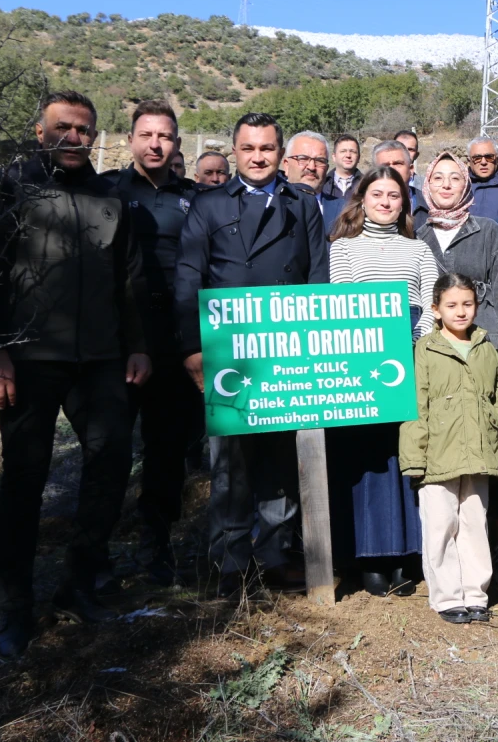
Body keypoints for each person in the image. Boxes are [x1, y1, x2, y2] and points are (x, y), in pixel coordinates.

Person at [0, 91, 151, 657]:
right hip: (28, 359)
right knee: (25, 479)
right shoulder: (7, 188)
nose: (76, 139)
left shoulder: (109, 196)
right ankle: (15, 608)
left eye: (85, 131)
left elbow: (131, 280)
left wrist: (138, 347)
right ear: (40, 130)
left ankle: (80, 583)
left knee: (111, 463)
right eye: (64, 128)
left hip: (99, 360)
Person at [175, 112, 329, 596]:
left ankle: (276, 555)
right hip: (229, 353)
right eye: (248, 148)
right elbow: (187, 277)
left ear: (280, 153)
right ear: (235, 151)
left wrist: (312, 348)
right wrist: (192, 348)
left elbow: (317, 279)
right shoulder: (208, 205)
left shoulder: (302, 206)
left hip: (286, 352)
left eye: (266, 149)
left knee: (281, 462)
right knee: (230, 465)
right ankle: (230, 563)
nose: (258, 157)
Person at [327, 167, 438, 595]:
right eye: (378, 194)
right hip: (367, 356)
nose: (386, 201)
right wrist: (383, 345)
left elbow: (431, 300)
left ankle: (408, 553)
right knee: (368, 457)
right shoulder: (345, 248)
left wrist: (413, 340)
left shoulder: (418, 249)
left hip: (411, 351)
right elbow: (346, 299)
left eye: (394, 195)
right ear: (362, 199)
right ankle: (372, 555)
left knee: (405, 453)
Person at [400, 274, 498, 623]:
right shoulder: (423, 350)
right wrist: (414, 458)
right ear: (436, 309)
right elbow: (415, 406)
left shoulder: (486, 348)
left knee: (474, 524)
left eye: (467, 304)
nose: (461, 312)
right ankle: (446, 597)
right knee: (441, 525)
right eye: (452, 305)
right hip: (437, 456)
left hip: (479, 453)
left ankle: (475, 594)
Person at [111, 100, 200, 586]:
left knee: (166, 447)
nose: (155, 144)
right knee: (110, 449)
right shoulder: (107, 191)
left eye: (164, 136)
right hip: (119, 341)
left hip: (174, 340)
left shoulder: (194, 197)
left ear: (176, 144)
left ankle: (156, 543)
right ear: (130, 140)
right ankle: (96, 552)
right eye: (146, 135)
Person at [417, 151, 498, 344]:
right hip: (432, 347)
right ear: (427, 185)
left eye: (455, 178)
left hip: (483, 342)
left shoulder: (488, 231)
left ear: (466, 185)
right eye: (438, 178)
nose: (446, 185)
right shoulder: (417, 238)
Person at [284, 130, 344, 235]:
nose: (311, 167)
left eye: (320, 161)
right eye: (302, 159)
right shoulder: (270, 206)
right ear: (286, 165)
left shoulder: (344, 211)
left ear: (327, 168)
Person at [372, 139, 428, 230]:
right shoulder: (361, 208)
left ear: (411, 169)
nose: (392, 170)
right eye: (385, 165)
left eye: (398, 163)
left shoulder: (430, 204)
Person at [465, 137, 498, 221]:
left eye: (489, 157)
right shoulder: (460, 184)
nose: (483, 162)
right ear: (469, 160)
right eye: (477, 158)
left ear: (497, 159)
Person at [322, 133, 361, 200]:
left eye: (353, 151)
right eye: (343, 151)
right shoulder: (322, 184)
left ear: (358, 158)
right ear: (334, 157)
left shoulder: (367, 184)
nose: (348, 155)